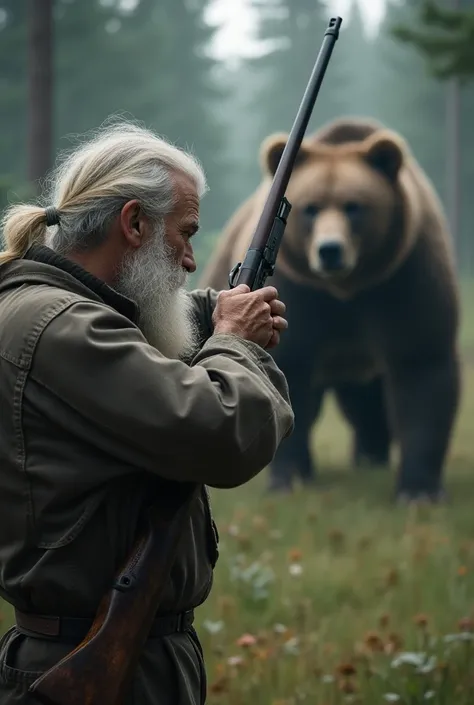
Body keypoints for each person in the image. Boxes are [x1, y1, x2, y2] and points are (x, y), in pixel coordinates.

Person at [0, 120, 294, 704]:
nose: (190, 261)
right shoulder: (62, 329)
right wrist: (236, 343)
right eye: (184, 234)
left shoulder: (47, 310)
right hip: (107, 667)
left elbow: (139, 328)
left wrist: (219, 311)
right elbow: (221, 431)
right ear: (133, 223)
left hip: (107, 651)